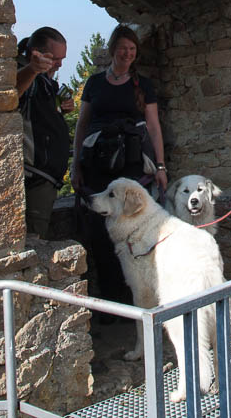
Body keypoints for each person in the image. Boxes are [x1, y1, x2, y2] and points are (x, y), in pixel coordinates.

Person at [71, 24, 168, 304]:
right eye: (123, 48)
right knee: (101, 236)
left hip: (132, 166)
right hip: (97, 167)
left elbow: (153, 126)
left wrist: (160, 166)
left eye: (132, 49)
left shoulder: (143, 85)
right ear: (113, 49)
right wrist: (76, 164)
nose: (127, 54)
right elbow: (82, 125)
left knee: (137, 232)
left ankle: (139, 299)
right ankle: (112, 301)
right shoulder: (94, 83)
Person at [17, 27, 73, 239]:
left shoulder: (46, 80)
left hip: (46, 179)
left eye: (62, 59)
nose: (60, 64)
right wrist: (32, 69)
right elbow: (9, 96)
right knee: (33, 240)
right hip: (34, 178)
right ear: (36, 54)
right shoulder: (26, 73)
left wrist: (61, 109)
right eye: (56, 58)